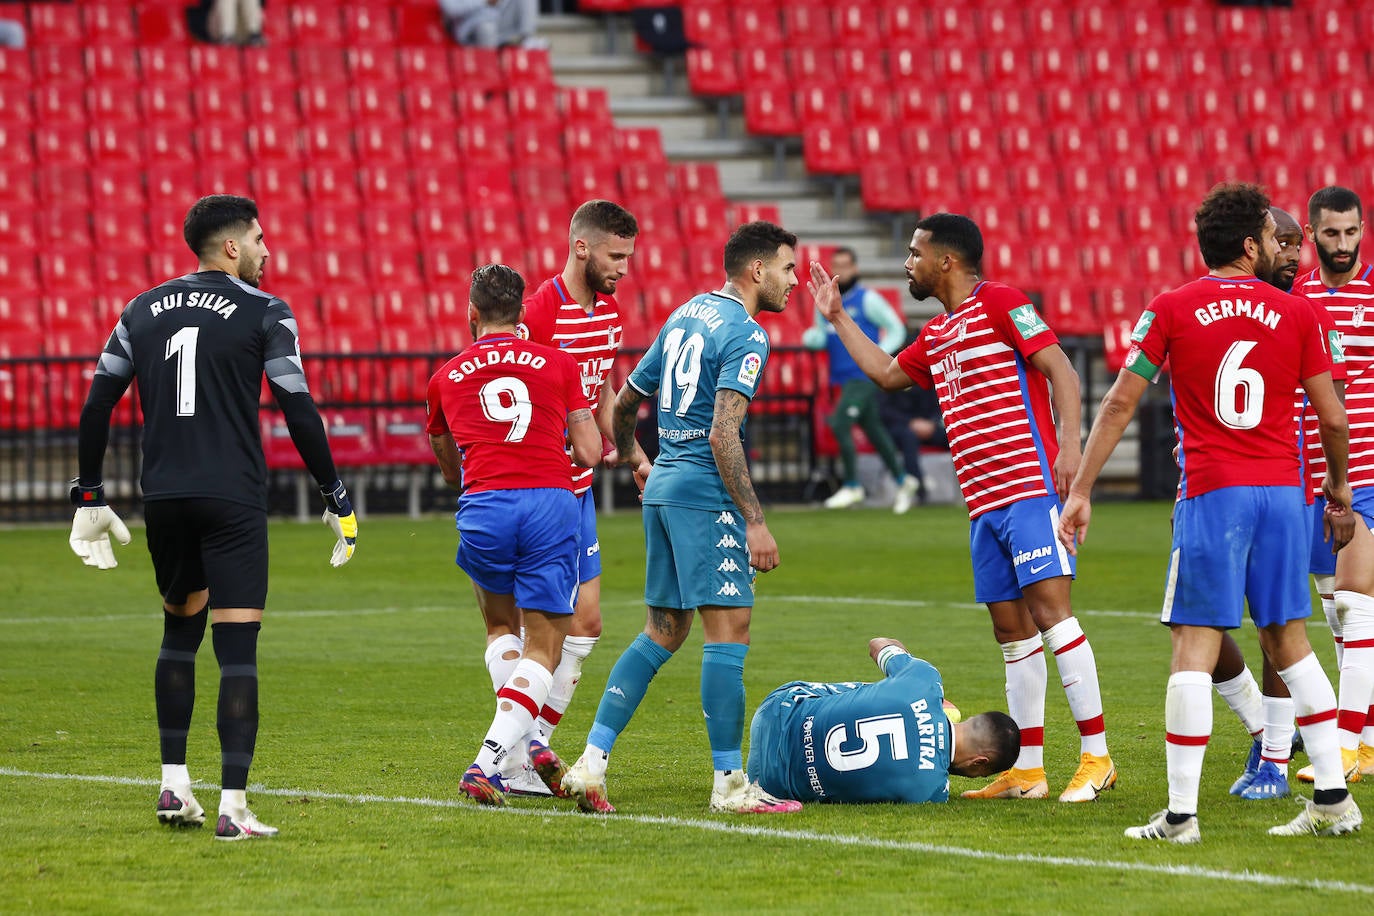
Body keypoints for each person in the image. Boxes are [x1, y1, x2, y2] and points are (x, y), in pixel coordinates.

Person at [1059, 181, 1362, 842]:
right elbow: (1335, 418)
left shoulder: (1170, 308)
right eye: (1271, 235)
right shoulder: (1300, 313)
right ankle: (1333, 801)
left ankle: (1180, 816)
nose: (1281, 246)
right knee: (1292, 643)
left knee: (1192, 648)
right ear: (1250, 245)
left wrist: (1080, 490)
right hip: (1282, 495)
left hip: (1213, 493)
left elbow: (1120, 402)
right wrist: (1338, 488)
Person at [67, 195, 359, 841]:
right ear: (232, 246)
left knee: (178, 635)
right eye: (258, 238)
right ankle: (233, 806)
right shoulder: (266, 310)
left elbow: (96, 405)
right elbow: (297, 405)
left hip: (165, 497)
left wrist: (89, 495)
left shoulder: (139, 309)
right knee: (236, 649)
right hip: (232, 496)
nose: (266, 250)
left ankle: (173, 785)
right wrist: (334, 493)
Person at [807, 213, 1116, 804]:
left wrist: (1071, 449)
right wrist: (839, 317)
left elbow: (1062, 370)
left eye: (915, 253)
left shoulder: (1001, 302)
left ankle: (1097, 757)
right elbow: (887, 373)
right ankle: (1028, 770)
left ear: (945, 261)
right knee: (1012, 633)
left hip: (1027, 489)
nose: (908, 264)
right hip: (983, 505)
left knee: (1053, 617)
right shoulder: (938, 332)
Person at [561, 221, 802, 815]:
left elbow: (625, 401)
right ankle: (729, 784)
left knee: (662, 632)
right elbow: (723, 434)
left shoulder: (686, 313)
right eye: (788, 268)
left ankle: (591, 763)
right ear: (757, 271)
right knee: (730, 633)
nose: (794, 281)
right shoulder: (746, 333)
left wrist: (636, 458)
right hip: (704, 496)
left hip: (666, 487)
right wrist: (754, 520)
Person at [424, 263, 602, 807]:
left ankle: (522, 755)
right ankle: (488, 762)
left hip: (484, 506)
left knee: (501, 628)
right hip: (549, 502)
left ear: (471, 313)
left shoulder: (445, 377)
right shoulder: (558, 363)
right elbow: (590, 451)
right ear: (523, 313)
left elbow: (447, 463)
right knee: (545, 645)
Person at [502, 200, 649, 796]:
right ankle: (514, 754)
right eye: (615, 256)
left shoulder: (609, 311)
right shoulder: (539, 311)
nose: (623, 268)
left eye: (629, 257)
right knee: (542, 628)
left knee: (585, 624)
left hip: (580, 488)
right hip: (541, 489)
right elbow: (508, 383)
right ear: (581, 247)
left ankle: (531, 745)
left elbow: (605, 391)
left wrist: (636, 455)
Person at [1213, 207, 1316, 803]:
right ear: (1257, 246)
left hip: (1290, 485)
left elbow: (1335, 404)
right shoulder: (1221, 308)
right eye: (1284, 242)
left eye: (1298, 244)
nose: (1293, 254)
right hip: (1215, 482)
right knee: (1196, 623)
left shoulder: (1305, 310)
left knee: (1284, 626)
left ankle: (1280, 753)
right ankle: (1267, 730)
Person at [1291, 186, 1374, 782]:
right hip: (1314, 476)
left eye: (1352, 232)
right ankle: (1365, 740)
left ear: (1363, 229)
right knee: (1336, 611)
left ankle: (1343, 744)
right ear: (1312, 233)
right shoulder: (1297, 297)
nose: (1342, 244)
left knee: (1353, 600)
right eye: (1331, 233)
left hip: (1367, 472)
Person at [747, 637, 1020, 804]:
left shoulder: (926, 680)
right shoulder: (931, 792)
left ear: (972, 719)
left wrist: (911, 673)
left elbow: (877, 643)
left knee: (884, 690)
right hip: (771, 783)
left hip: (774, 711)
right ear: (979, 762)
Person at [802, 248, 920, 513]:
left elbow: (896, 328)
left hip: (863, 376)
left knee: (840, 422)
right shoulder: (826, 300)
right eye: (836, 265)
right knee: (873, 429)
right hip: (844, 379)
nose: (841, 271)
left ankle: (852, 485)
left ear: (855, 268)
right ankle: (904, 480)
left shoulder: (868, 299)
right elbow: (822, 336)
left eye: (846, 265)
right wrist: (811, 338)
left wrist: (879, 357)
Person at [439, 0, 541, 48]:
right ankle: (489, 69)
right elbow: (451, 10)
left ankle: (526, 38)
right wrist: (484, 2)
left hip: (498, 17)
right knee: (487, 28)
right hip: (470, 27)